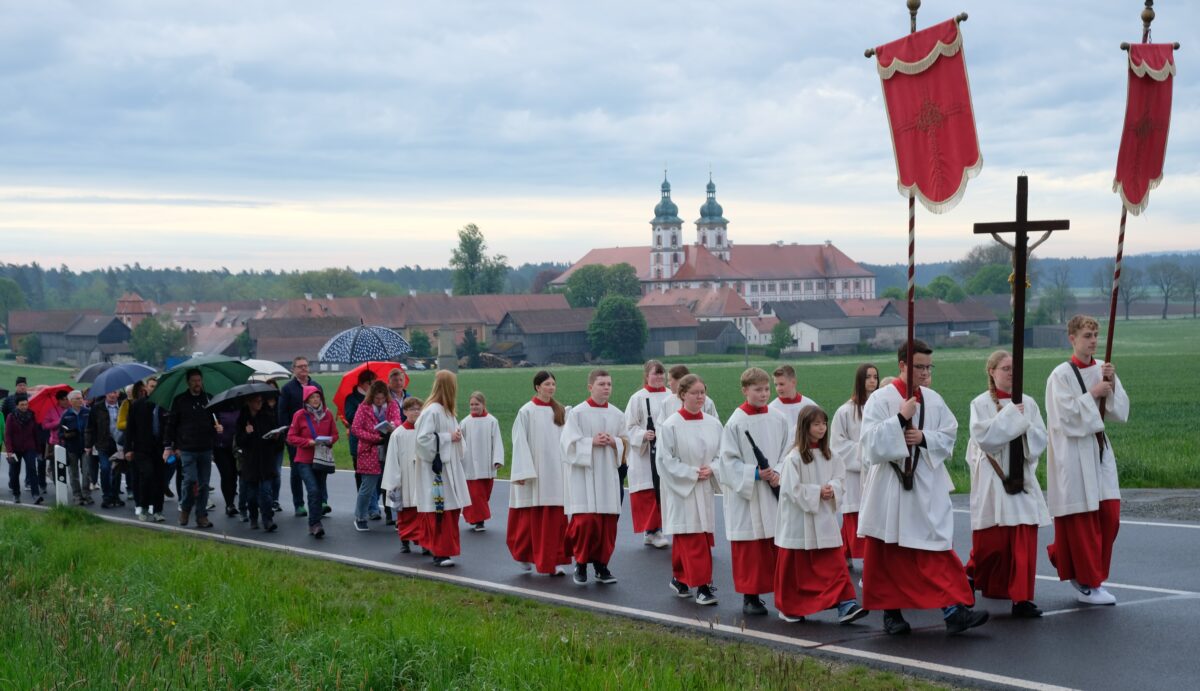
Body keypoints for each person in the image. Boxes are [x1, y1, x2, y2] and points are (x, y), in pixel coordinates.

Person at [859, 340, 987, 636]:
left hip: (925, 487)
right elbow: (868, 446)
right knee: (889, 555)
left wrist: (924, 438)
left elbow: (949, 435)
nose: (926, 372)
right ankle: (891, 614)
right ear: (903, 365)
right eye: (920, 367)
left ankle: (954, 611)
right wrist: (900, 419)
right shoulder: (881, 400)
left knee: (935, 549)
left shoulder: (934, 399)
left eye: (929, 367)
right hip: (891, 490)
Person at [1045, 315, 1129, 606]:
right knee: (1083, 522)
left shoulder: (1100, 369)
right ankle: (1089, 582)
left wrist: (1112, 381)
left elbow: (1119, 412)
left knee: (1110, 516)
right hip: (1075, 454)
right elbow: (1064, 417)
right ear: (1072, 338)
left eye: (1095, 335)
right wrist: (1092, 393)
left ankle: (1085, 569)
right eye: (1087, 335)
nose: (1093, 341)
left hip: (1099, 451)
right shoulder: (1061, 375)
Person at [965, 350, 1051, 618]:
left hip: (1021, 477)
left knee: (1023, 539)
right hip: (994, 477)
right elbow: (985, 438)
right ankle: (971, 577)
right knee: (992, 543)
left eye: (1014, 368)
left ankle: (1022, 599)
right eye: (1005, 368)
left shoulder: (1029, 402)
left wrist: (1023, 423)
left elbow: (1039, 438)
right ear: (992, 372)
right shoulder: (979, 403)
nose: (1011, 372)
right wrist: (1014, 417)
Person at [774, 406, 868, 624]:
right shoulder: (794, 458)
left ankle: (846, 604)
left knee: (834, 563)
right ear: (804, 427)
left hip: (824, 518)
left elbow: (840, 479)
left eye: (824, 423)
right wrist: (817, 492)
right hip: (800, 521)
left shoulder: (832, 455)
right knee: (797, 569)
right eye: (816, 424)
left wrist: (832, 489)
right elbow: (790, 489)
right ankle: (791, 607)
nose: (822, 428)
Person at [717, 367, 789, 616]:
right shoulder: (735, 423)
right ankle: (750, 596)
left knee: (776, 545)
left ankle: (783, 592)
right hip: (747, 496)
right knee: (750, 550)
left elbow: (786, 451)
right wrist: (755, 474)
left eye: (766, 389)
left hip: (773, 489)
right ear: (745, 390)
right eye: (757, 390)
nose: (764, 394)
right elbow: (726, 463)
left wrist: (777, 471)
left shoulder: (778, 418)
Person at [657, 374, 722, 605]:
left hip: (704, 488)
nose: (700, 397)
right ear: (682, 395)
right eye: (695, 393)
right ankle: (704, 587)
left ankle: (680, 578)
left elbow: (721, 454)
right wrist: (692, 473)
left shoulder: (713, 423)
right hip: (683, 489)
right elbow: (665, 459)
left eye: (703, 392)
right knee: (691, 538)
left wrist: (712, 469)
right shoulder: (671, 425)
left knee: (699, 537)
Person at [561, 369, 626, 586]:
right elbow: (567, 445)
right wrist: (590, 442)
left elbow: (626, 444)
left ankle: (601, 565)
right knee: (585, 522)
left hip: (607, 474)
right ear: (590, 387)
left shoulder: (617, 414)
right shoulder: (577, 413)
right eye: (601, 384)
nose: (606, 387)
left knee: (607, 524)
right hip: (584, 475)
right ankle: (580, 564)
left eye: (609, 384)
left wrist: (614, 441)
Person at [508, 371, 571, 576]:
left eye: (553, 384)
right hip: (535, 474)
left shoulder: (559, 410)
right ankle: (525, 555)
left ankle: (554, 559)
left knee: (555, 520)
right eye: (547, 384)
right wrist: (523, 471)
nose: (551, 388)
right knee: (530, 521)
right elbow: (519, 442)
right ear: (537, 387)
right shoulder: (526, 411)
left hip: (556, 473)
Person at [415, 371, 470, 567]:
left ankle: (443, 549)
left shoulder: (447, 411)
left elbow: (454, 438)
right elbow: (422, 440)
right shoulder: (432, 411)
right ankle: (440, 552)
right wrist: (448, 438)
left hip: (450, 468)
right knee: (441, 512)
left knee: (451, 510)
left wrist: (456, 436)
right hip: (437, 471)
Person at [829, 363, 878, 567]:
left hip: (875, 471)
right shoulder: (845, 411)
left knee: (874, 514)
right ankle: (859, 556)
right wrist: (866, 451)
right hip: (855, 474)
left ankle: (843, 554)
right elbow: (838, 445)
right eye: (868, 377)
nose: (873, 381)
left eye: (875, 377)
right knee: (855, 516)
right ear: (860, 380)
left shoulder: (880, 407)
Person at [623, 360, 672, 549]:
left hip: (666, 452)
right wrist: (643, 434)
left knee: (664, 490)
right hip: (644, 453)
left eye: (661, 373)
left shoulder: (671, 396)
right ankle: (652, 531)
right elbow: (628, 426)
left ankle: (657, 528)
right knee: (650, 492)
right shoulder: (637, 398)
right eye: (655, 374)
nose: (659, 377)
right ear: (646, 375)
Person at [164, 368, 221, 529]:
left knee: (203, 484)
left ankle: (201, 515)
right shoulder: (180, 400)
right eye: (194, 380)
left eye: (199, 380)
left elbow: (215, 420)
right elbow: (171, 425)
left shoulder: (209, 399)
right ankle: (185, 508)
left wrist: (218, 428)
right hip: (187, 448)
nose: (197, 383)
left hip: (205, 448)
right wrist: (170, 445)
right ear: (188, 382)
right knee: (190, 481)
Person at [286, 386, 339, 538]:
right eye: (312, 398)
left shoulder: (327, 414)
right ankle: (316, 524)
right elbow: (291, 437)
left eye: (318, 397)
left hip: (321, 459)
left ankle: (313, 523)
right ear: (306, 400)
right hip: (304, 459)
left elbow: (335, 434)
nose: (316, 400)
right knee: (313, 490)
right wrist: (307, 442)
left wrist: (329, 441)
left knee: (319, 492)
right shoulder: (299, 415)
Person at [349, 380, 401, 532]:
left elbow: (398, 421)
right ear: (372, 396)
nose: (379, 402)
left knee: (393, 486)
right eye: (377, 399)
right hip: (369, 451)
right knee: (367, 487)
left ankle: (397, 518)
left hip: (389, 449)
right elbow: (356, 429)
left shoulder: (392, 406)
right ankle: (360, 517)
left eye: (382, 398)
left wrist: (393, 426)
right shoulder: (363, 408)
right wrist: (374, 437)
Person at [279, 356, 322, 518]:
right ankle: (299, 504)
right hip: (295, 437)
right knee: (296, 471)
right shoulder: (288, 389)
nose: (304, 369)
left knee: (319, 469)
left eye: (306, 366)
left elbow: (323, 409)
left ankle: (321, 501)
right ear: (293, 370)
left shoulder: (316, 386)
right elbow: (282, 412)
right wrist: (286, 435)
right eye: (300, 367)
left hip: (316, 437)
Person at [236, 393, 285, 532]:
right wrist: (247, 433)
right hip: (250, 462)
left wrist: (276, 437)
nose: (259, 402)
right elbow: (239, 441)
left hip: (266, 460)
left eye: (260, 400)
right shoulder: (242, 419)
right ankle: (253, 517)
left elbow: (278, 440)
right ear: (249, 402)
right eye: (256, 400)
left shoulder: (268, 416)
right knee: (251, 496)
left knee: (266, 493)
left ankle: (268, 520)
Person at [382, 396, 425, 553]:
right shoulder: (398, 434)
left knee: (422, 512)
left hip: (421, 477)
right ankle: (405, 540)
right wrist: (394, 482)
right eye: (413, 409)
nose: (417, 412)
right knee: (406, 512)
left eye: (419, 409)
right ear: (405, 411)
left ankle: (423, 541)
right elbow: (392, 459)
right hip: (405, 478)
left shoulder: (425, 432)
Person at [460, 391, 504, 532]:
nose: (474, 407)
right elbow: (460, 443)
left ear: (483, 404)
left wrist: (497, 459)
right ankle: (479, 521)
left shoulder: (492, 421)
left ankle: (476, 517)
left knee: (484, 494)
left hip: (487, 463)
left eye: (477, 404)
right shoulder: (465, 422)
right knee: (475, 494)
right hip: (470, 465)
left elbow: (497, 441)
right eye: (471, 404)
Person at [124, 377, 166, 522]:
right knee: (146, 475)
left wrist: (172, 446)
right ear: (146, 388)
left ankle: (158, 510)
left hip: (160, 448)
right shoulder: (138, 405)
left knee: (160, 479)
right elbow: (130, 428)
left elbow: (170, 426)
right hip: (142, 448)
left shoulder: (164, 405)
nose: (154, 389)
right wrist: (128, 449)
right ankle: (143, 506)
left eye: (156, 386)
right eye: (152, 386)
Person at [342, 369, 377, 511]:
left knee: (377, 475)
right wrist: (364, 408)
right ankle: (365, 505)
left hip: (376, 441)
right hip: (358, 442)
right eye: (372, 383)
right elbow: (350, 417)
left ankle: (373, 504)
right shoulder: (351, 398)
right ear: (363, 384)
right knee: (361, 474)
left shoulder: (377, 397)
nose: (374, 385)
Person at [85, 390, 124, 508]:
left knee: (117, 470)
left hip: (119, 443)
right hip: (103, 443)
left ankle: (115, 496)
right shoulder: (97, 408)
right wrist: (88, 445)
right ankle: (106, 496)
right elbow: (90, 427)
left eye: (115, 392)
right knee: (105, 468)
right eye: (110, 393)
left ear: (118, 394)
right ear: (105, 394)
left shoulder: (124, 406)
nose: (112, 395)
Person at [769, 365, 821, 449]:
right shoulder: (772, 409)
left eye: (782, 384)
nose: (778, 388)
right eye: (776, 385)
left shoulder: (810, 406)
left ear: (793, 382)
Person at [6, 395, 42, 504]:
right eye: (22, 405)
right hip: (15, 448)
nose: (24, 407)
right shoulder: (11, 417)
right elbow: (8, 435)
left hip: (29, 447)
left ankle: (35, 495)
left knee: (32, 469)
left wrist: (38, 449)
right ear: (17, 405)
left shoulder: (31, 415)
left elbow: (35, 433)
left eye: (26, 404)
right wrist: (9, 451)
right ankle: (16, 494)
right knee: (14, 472)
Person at [58, 390, 91, 505]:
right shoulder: (66, 415)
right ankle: (77, 495)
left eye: (81, 398)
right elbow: (60, 434)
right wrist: (67, 434)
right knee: (73, 473)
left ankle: (87, 494)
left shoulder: (88, 412)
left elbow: (92, 428)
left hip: (86, 447)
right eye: (77, 398)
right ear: (71, 401)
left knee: (86, 472)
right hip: (71, 447)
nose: (80, 400)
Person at [212, 406, 242, 518]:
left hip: (236, 447)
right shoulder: (216, 410)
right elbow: (210, 426)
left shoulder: (240, 408)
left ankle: (232, 502)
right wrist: (215, 428)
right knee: (226, 475)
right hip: (220, 447)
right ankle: (229, 504)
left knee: (234, 475)